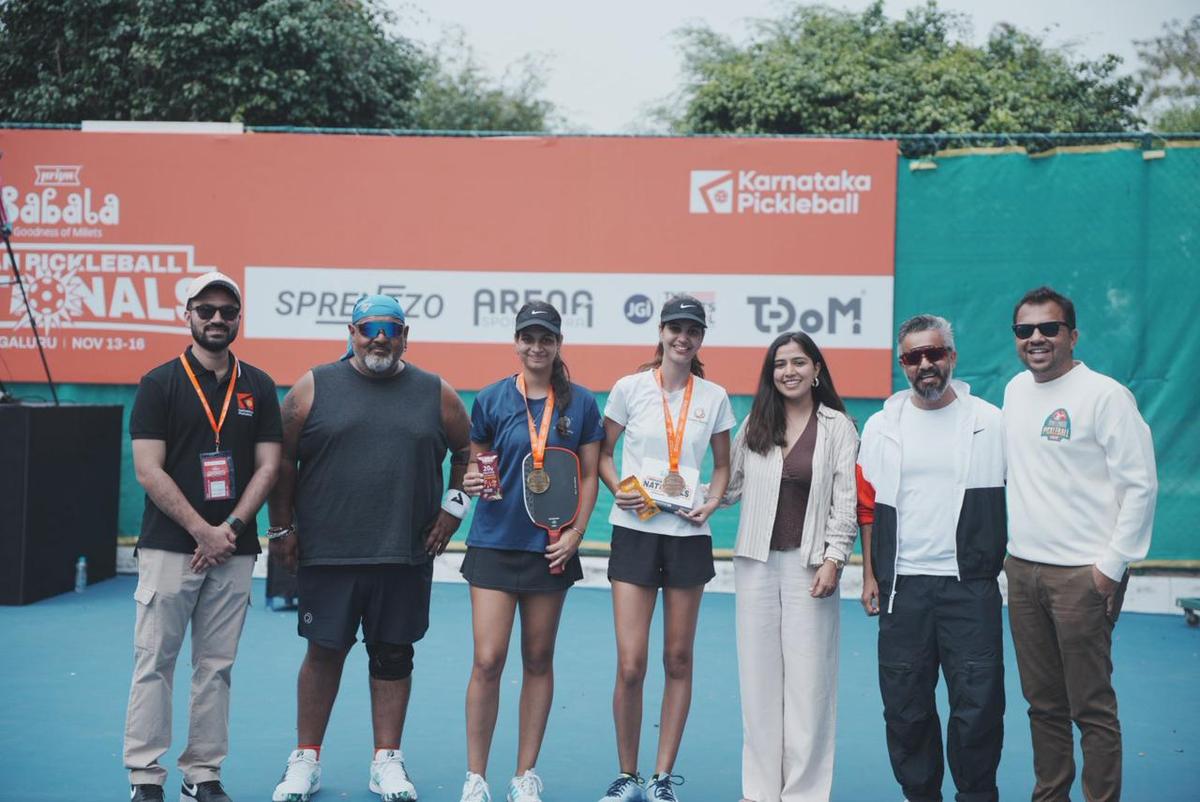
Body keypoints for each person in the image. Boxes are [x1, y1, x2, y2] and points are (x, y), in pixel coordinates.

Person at [267, 295, 471, 802]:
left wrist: (453, 510)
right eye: (368, 328)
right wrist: (281, 529)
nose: (379, 338)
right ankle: (306, 760)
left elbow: (470, 453)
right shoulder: (313, 387)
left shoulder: (435, 392)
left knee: (394, 655)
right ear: (351, 332)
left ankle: (387, 762)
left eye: (390, 329)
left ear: (405, 335)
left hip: (404, 553)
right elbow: (281, 460)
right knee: (324, 652)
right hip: (328, 552)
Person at [124, 271, 282, 802]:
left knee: (216, 667)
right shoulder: (158, 383)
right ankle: (146, 777)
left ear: (239, 319)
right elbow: (148, 469)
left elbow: (268, 466)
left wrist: (230, 529)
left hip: (233, 550)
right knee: (155, 664)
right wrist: (201, 530)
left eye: (227, 311)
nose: (217, 319)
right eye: (206, 309)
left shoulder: (258, 385)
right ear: (186, 314)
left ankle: (203, 773)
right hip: (171, 548)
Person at [1002, 286, 1157, 802]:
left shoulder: (1106, 396)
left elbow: (1140, 486)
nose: (1037, 338)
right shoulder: (1014, 392)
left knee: (1090, 706)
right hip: (1023, 573)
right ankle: (1051, 794)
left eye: (1049, 328)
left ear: (1073, 335)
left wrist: (1109, 568)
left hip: (1083, 576)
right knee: (1042, 703)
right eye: (1026, 331)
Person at [456, 301, 605, 802]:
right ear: (516, 342)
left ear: (558, 344)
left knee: (538, 659)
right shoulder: (493, 398)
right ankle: (476, 778)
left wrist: (576, 534)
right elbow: (477, 466)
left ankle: (524, 775)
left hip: (551, 548)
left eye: (546, 338)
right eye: (528, 337)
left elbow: (588, 476)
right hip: (495, 544)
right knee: (488, 659)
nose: (536, 347)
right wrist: (473, 479)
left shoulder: (580, 403)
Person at [856, 314, 1006, 802]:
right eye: (913, 357)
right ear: (903, 364)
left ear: (952, 357)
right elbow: (867, 505)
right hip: (905, 590)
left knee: (978, 707)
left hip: (971, 588)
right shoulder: (882, 425)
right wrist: (872, 574)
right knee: (905, 710)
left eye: (934, 353)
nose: (925, 364)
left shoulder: (989, 420)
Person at [596, 295, 737, 802]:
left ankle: (659, 779)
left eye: (692, 330)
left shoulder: (715, 396)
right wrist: (619, 489)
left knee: (678, 659)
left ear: (701, 338)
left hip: (687, 538)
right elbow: (603, 454)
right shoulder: (628, 388)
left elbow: (722, 467)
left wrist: (714, 503)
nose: (683, 337)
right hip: (634, 531)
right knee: (631, 663)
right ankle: (627, 775)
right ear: (660, 332)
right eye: (675, 328)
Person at [722, 332, 859, 802]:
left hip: (810, 568)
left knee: (809, 685)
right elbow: (729, 486)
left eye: (799, 362)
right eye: (780, 364)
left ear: (816, 369)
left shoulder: (839, 426)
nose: (789, 371)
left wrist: (834, 559)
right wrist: (678, 495)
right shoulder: (755, 423)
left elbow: (845, 502)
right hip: (755, 564)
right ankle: (759, 792)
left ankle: (803, 793)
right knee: (758, 683)